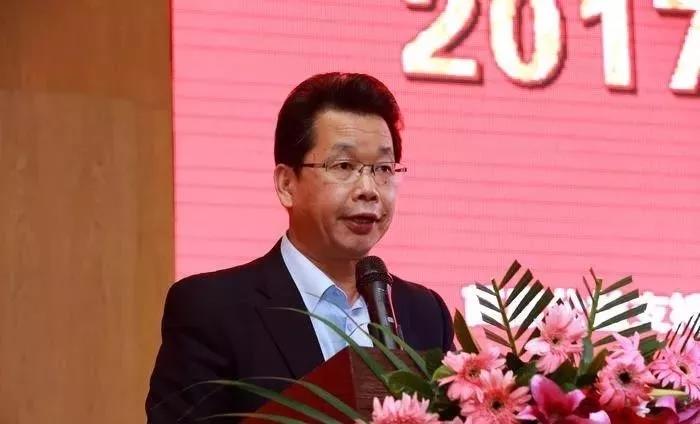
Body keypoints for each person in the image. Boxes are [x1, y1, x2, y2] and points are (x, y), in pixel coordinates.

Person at [145, 72, 454, 423]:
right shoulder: (213, 309)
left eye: (383, 168)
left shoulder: (424, 313)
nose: (369, 189)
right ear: (286, 184)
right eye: (344, 166)